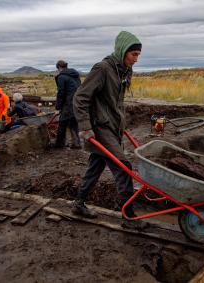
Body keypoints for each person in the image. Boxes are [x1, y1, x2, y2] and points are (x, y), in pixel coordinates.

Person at [73, 31, 147, 229]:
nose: (136, 59)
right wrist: (86, 128)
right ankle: (127, 215)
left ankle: (79, 203)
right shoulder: (103, 69)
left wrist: (121, 124)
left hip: (113, 128)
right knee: (124, 168)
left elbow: (116, 103)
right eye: (134, 54)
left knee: (95, 166)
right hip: (100, 128)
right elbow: (80, 98)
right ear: (123, 50)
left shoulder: (124, 70)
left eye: (138, 55)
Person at [54, 60, 81, 148]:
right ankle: (76, 143)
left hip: (68, 103)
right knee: (73, 122)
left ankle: (59, 144)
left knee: (62, 123)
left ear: (59, 67)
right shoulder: (75, 75)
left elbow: (61, 93)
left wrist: (58, 107)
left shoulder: (61, 77)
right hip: (77, 102)